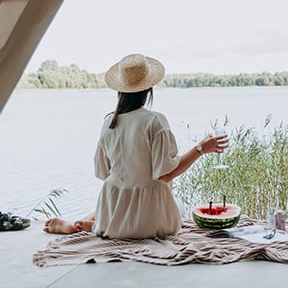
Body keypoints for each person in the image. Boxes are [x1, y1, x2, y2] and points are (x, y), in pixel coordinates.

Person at [44, 53, 228, 239]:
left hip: (113, 216)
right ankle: (90, 223)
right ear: (149, 88)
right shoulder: (155, 121)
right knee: (178, 206)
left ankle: (88, 223)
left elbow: (103, 172)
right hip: (151, 222)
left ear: (120, 90)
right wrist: (201, 149)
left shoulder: (109, 123)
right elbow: (165, 174)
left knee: (120, 193)